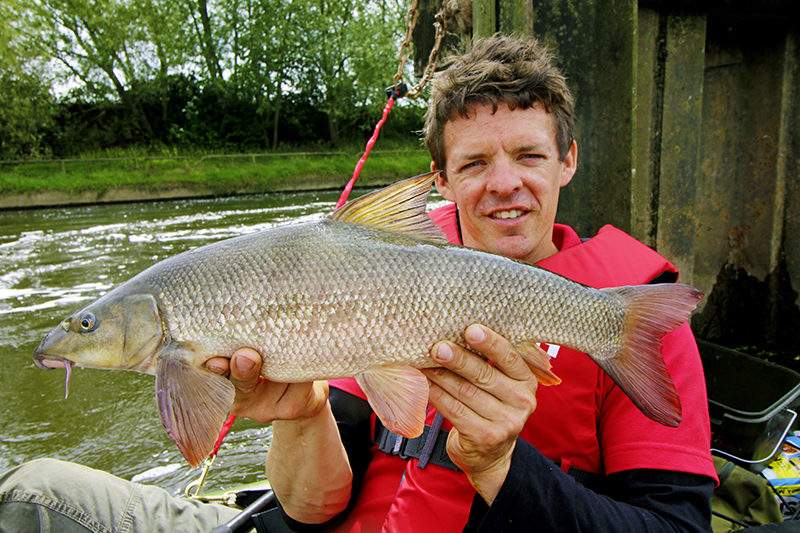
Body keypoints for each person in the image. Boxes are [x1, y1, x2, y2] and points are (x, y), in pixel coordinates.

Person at [0, 34, 717, 532]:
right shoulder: (367, 279)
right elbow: (314, 511)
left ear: (569, 160)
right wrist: (301, 412)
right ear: (438, 180)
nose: (505, 185)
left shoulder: (624, 315)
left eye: (529, 154)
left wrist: (502, 464)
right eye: (472, 165)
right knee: (29, 492)